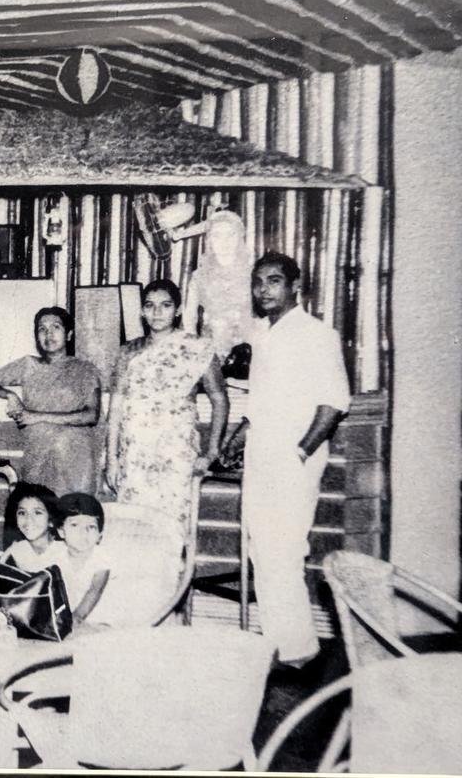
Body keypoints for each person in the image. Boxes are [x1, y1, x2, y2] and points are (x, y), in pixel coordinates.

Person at [231, 252, 350, 667]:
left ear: (296, 285)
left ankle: (297, 649)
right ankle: (282, 645)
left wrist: (300, 451)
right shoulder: (263, 334)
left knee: (283, 548)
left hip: (293, 458)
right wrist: (237, 437)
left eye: (274, 281)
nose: (264, 290)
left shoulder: (318, 335)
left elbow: (334, 402)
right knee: (262, 549)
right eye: (258, 282)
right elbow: (260, 404)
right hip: (261, 456)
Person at [105, 279, 229, 532]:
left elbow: (219, 399)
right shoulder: (128, 352)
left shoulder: (198, 348)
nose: (157, 312)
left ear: (178, 309)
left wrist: (212, 451)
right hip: (135, 454)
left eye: (165, 305)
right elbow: (115, 408)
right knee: (134, 528)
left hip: (176, 453)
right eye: (150, 306)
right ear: (141, 311)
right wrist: (112, 459)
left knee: (172, 529)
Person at [0, 306, 102, 498]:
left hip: (74, 459)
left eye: (56, 327)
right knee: (38, 515)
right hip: (37, 455)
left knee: (72, 517)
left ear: (69, 334)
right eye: (42, 329)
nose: (48, 334)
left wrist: (36, 416)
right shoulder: (28, 365)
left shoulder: (85, 369)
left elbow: (91, 415)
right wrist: (9, 395)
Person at [0, 486, 110, 628]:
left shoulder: (65, 550)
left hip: (83, 620)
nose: (29, 520)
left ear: (52, 520)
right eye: (22, 513)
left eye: (38, 513)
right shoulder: (16, 550)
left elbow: (92, 590)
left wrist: (71, 621)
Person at [182, 210, 255, 360]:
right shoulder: (199, 276)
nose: (224, 241)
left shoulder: (253, 274)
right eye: (217, 235)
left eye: (230, 234)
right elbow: (189, 318)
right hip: (212, 352)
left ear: (240, 238)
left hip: (249, 351)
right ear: (209, 240)